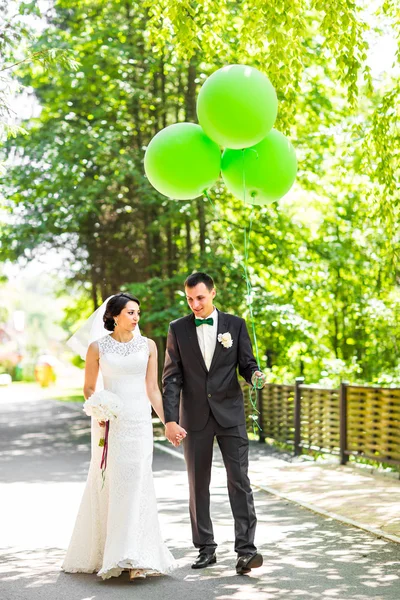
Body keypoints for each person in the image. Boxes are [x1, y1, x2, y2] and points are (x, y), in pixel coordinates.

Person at [62, 293, 178, 580]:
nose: (136, 317)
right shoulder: (96, 348)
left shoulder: (148, 346)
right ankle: (112, 553)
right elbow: (89, 387)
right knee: (113, 483)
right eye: (130, 312)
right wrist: (99, 408)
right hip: (109, 424)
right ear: (114, 316)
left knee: (138, 482)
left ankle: (136, 556)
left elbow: (152, 389)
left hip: (139, 423)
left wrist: (169, 423)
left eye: (138, 312)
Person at [162, 272, 266, 575]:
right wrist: (170, 419)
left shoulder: (236, 325)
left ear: (213, 293)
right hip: (193, 418)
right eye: (190, 299)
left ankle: (246, 551)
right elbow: (171, 378)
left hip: (230, 415)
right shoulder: (177, 329)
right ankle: (205, 548)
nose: (195, 304)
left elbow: (247, 363)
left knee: (240, 482)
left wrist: (255, 375)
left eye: (200, 298)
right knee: (198, 485)